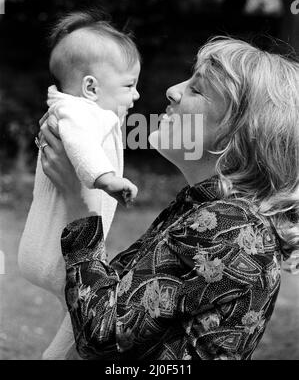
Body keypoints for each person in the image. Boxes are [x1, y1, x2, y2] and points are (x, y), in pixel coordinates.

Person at [39, 37, 299, 360]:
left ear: (239, 134)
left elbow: (102, 333)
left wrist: (80, 202)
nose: (173, 90)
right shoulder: (205, 209)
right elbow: (118, 294)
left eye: (197, 89)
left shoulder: (230, 227)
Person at [18, 11, 140, 360]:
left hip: (43, 248)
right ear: (91, 87)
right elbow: (81, 146)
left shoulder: (71, 108)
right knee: (82, 316)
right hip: (60, 254)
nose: (136, 95)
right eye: (129, 85)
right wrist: (106, 179)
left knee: (74, 311)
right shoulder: (82, 114)